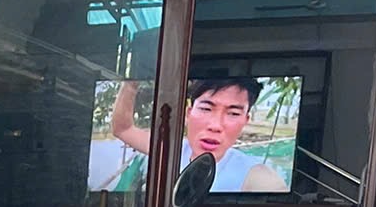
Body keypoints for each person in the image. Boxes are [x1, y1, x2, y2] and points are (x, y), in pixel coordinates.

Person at [102, 72, 287, 194]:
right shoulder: (172, 150)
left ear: (245, 121)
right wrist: (131, 83)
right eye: (206, 109)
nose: (215, 125)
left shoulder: (256, 176)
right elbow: (123, 128)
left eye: (233, 113)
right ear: (188, 114)